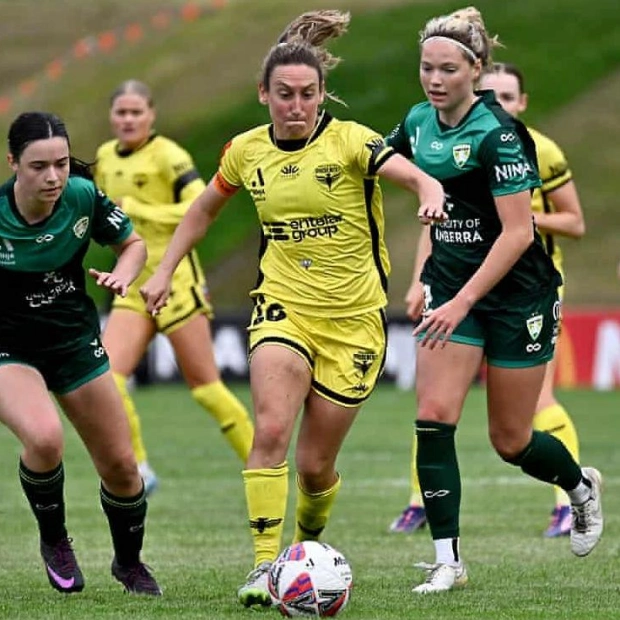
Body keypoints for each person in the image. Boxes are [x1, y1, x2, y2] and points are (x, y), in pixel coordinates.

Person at [140, 9, 446, 609]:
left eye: (308, 94)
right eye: (284, 94)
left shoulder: (352, 141)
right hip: (282, 309)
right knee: (272, 430)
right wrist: (164, 269)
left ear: (322, 94)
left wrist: (431, 190)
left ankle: (304, 550)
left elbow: (411, 175)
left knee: (314, 469)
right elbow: (201, 211)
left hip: (355, 323)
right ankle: (262, 566)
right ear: (264, 95)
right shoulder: (245, 151)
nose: (296, 105)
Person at [385, 6, 603, 593]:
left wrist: (462, 302)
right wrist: (419, 185)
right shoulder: (417, 120)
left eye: (447, 70)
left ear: (474, 71)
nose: (434, 80)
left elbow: (519, 233)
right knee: (432, 419)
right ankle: (447, 561)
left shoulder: (499, 134)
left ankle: (579, 488)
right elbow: (378, 155)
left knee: (511, 440)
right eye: (426, 68)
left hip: (517, 296)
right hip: (451, 288)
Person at [0, 111, 161, 595]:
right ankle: (55, 540)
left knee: (122, 468)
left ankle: (128, 563)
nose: (53, 177)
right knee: (45, 439)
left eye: (62, 164)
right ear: (13, 163)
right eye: (38, 166)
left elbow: (132, 244)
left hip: (71, 340)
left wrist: (125, 274)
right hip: (9, 347)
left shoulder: (82, 196)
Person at [95, 80, 255, 495]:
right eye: (121, 112)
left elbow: (199, 205)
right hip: (131, 285)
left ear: (151, 115)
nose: (128, 120)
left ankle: (263, 464)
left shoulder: (170, 156)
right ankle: (139, 470)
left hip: (177, 285)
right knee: (108, 380)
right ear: (111, 117)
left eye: (136, 112)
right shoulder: (104, 159)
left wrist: (140, 210)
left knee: (206, 389)